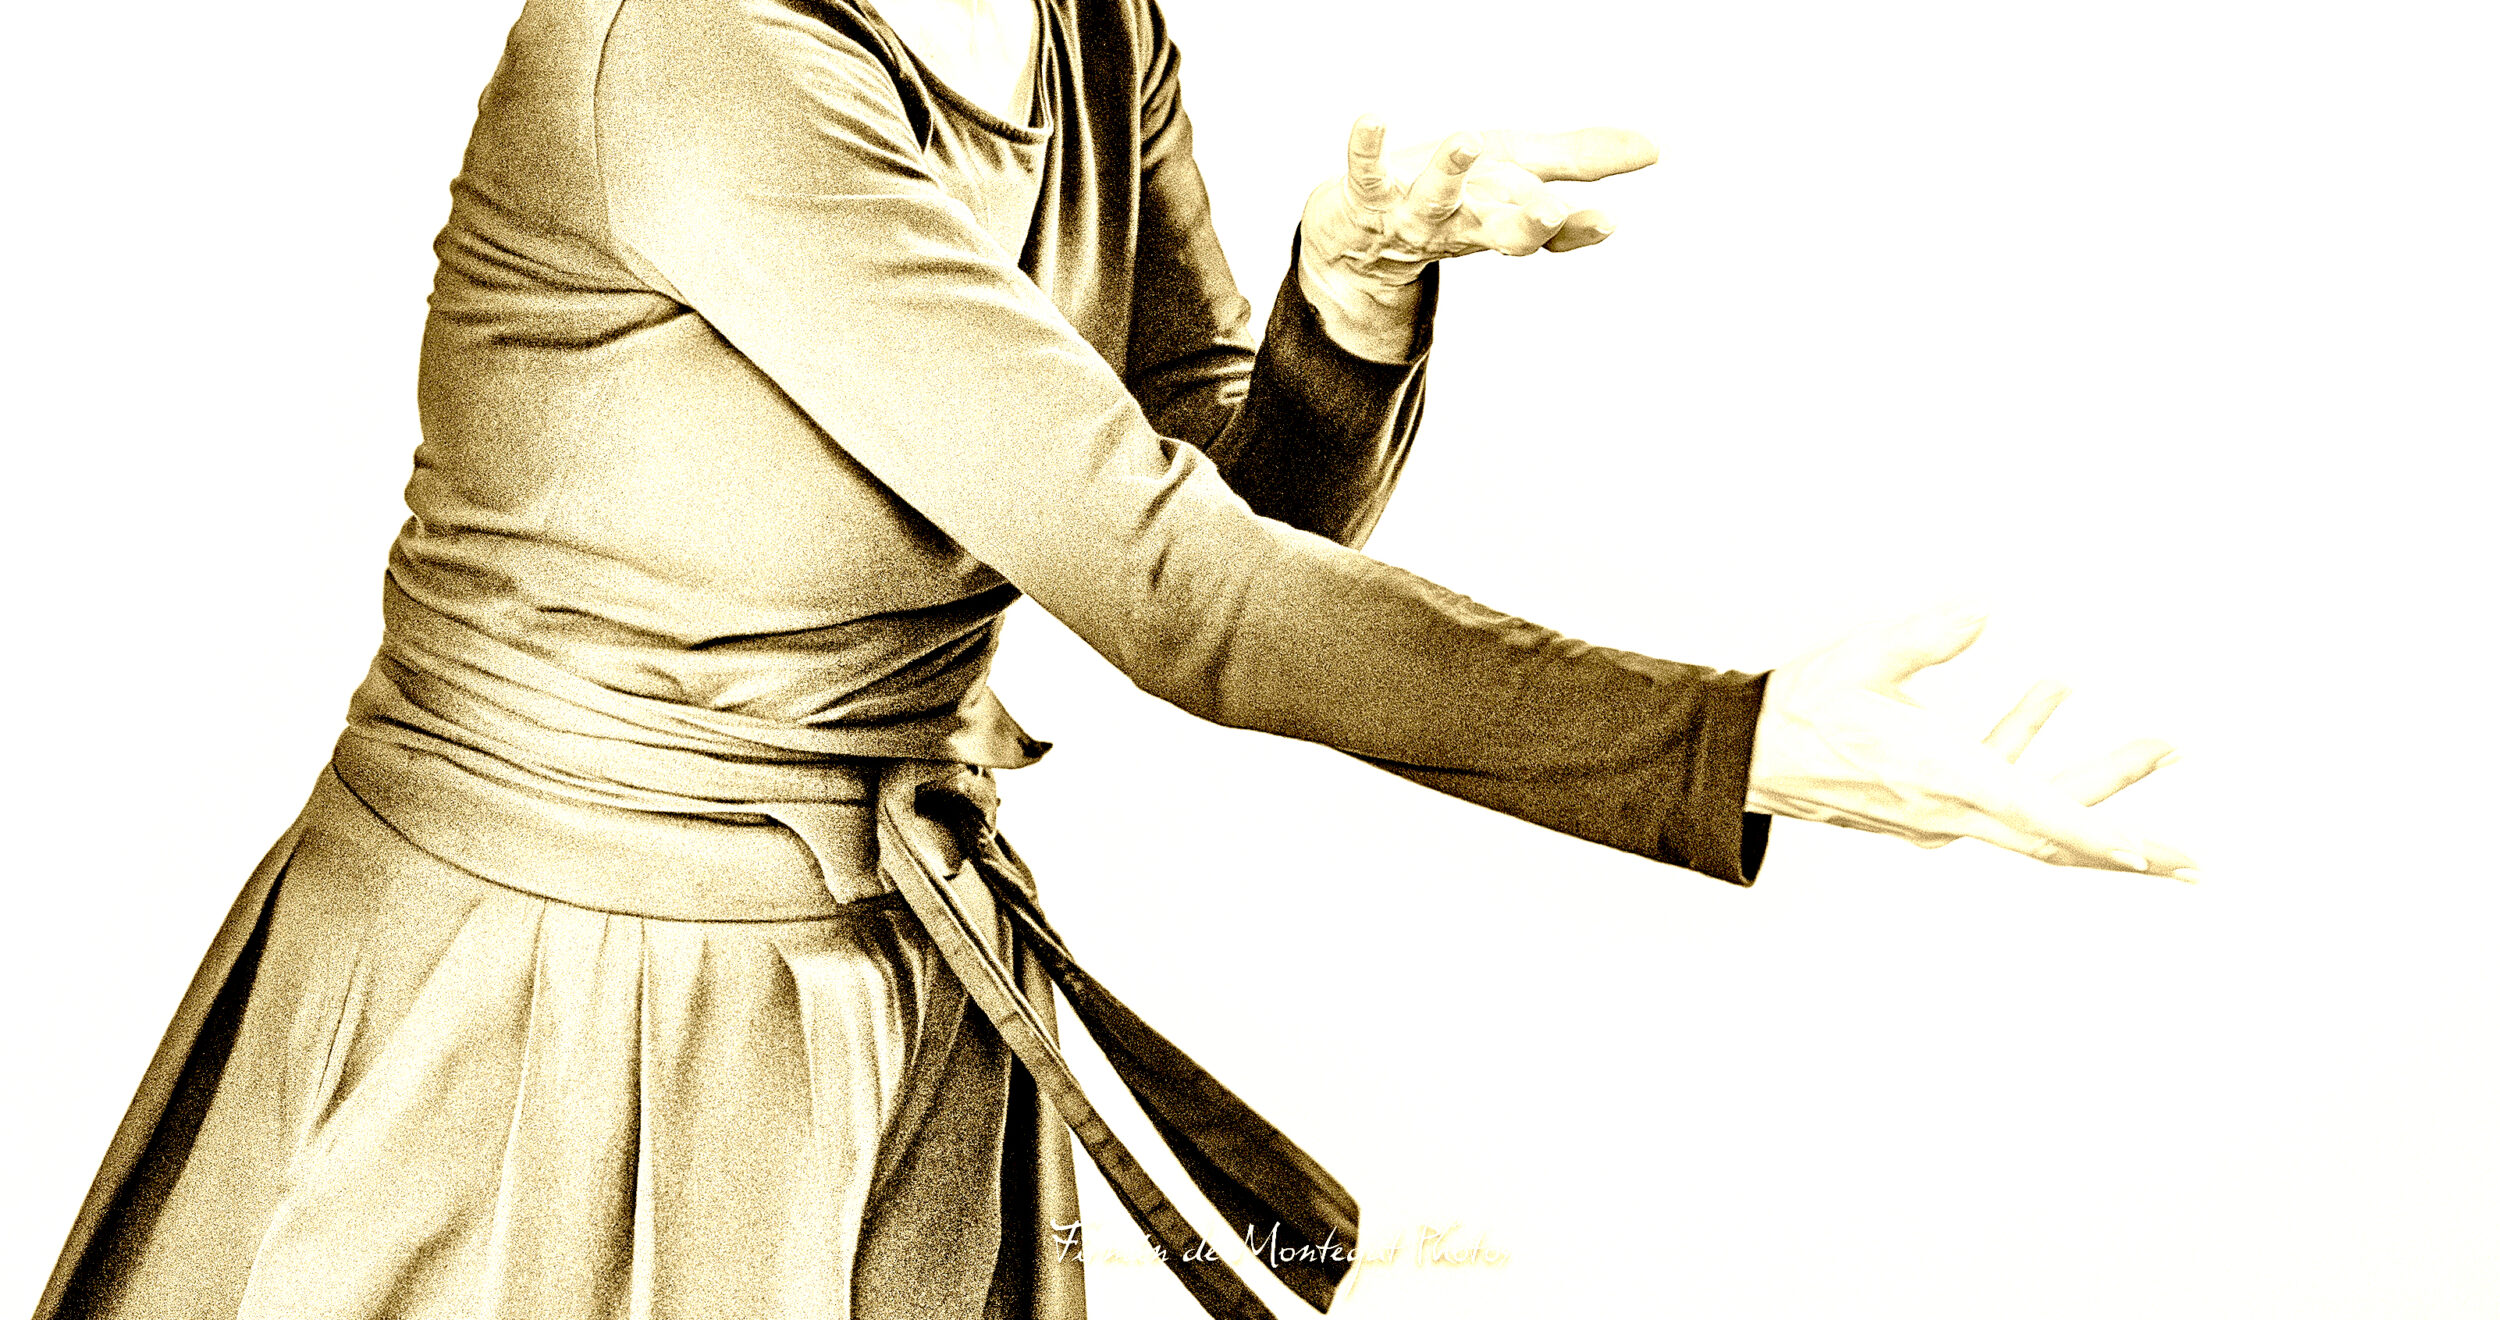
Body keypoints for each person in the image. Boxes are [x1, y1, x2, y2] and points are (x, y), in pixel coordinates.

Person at [35, 0, 2193, 1315]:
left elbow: (1210, 503)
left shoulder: (1087, 20)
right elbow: (1176, 594)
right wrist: (1715, 740)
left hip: (889, 987)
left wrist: (1350, 290)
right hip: (552, 1011)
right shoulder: (690, 46)